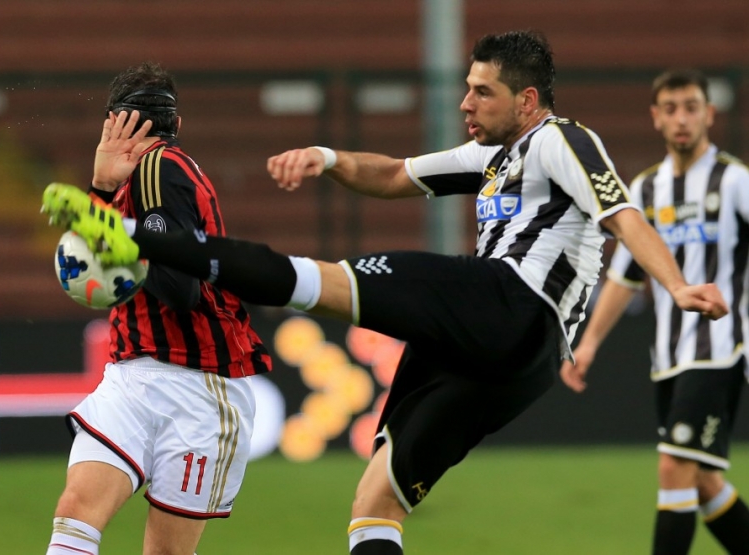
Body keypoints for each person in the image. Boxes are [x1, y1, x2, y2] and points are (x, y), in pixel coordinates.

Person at [42, 32, 729, 555]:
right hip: (520, 364)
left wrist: (675, 285)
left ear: (526, 100)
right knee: (376, 501)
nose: (464, 102)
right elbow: (397, 174)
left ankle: (128, 234)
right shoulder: (492, 158)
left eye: (481, 92)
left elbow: (621, 213)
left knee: (319, 282)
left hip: (509, 299)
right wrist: (328, 158)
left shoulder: (560, 140)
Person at [44, 63, 271, 555]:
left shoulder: (160, 169)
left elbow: (181, 288)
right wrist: (101, 191)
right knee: (76, 512)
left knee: (163, 551)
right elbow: (113, 261)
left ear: (112, 122)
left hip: (197, 386)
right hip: (131, 376)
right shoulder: (132, 177)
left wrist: (121, 243)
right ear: (177, 123)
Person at [560, 69, 749, 554]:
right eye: (670, 109)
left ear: (709, 114)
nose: (681, 119)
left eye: (691, 108)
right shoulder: (644, 190)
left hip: (719, 350)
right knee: (701, 481)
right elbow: (625, 277)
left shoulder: (734, 181)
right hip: (668, 358)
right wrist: (589, 343)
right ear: (655, 118)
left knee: (673, 466)